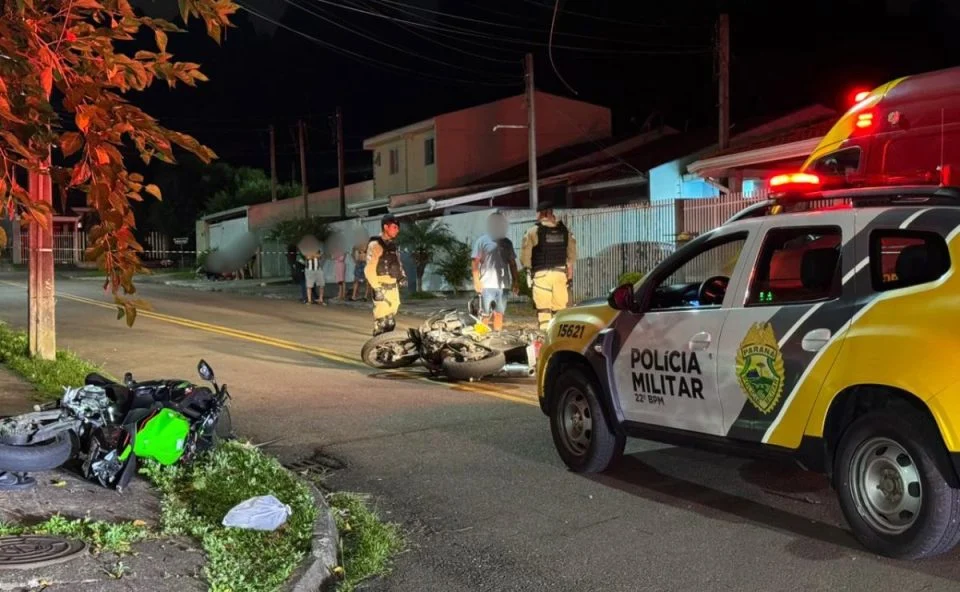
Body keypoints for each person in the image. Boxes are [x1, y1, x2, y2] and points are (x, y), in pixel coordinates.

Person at [520, 201, 577, 330]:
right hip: (560, 275)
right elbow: (572, 255)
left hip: (541, 275)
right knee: (560, 311)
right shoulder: (565, 231)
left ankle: (545, 335)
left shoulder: (533, 231)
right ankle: (558, 335)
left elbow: (525, 258)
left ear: (542, 213)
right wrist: (569, 274)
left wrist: (528, 270)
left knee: (544, 310)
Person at [472, 212, 519, 332]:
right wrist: (476, 281)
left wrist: (515, 281)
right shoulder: (482, 241)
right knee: (485, 314)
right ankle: (481, 335)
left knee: (499, 313)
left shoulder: (507, 243)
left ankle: (498, 334)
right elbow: (475, 262)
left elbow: (512, 263)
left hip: (503, 286)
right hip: (486, 285)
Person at [365, 214, 406, 335]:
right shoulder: (375, 244)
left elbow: (398, 263)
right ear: (385, 227)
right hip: (381, 285)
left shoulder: (393, 245)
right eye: (394, 227)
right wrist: (376, 288)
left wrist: (401, 277)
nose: (397, 230)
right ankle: (377, 345)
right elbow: (369, 268)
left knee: (390, 323)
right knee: (382, 323)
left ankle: (387, 344)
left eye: (398, 228)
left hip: (393, 286)